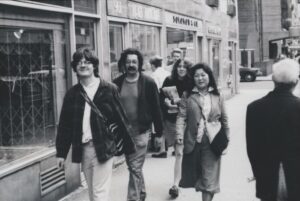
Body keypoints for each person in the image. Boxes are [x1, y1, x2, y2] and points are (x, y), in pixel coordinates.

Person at [56, 48, 135, 201]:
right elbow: (65, 125)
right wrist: (61, 153)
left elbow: (122, 119)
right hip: (83, 148)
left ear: (94, 66)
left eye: (87, 62)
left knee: (99, 194)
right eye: (79, 62)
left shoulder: (108, 89)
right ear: (74, 68)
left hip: (104, 146)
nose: (83, 65)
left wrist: (129, 148)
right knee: (93, 193)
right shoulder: (72, 94)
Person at [246, 58, 300, 201]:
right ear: (296, 82)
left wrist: (258, 173)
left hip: (266, 176)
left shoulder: (254, 108)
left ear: (274, 80)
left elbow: (252, 148)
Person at [114, 48, 163, 201]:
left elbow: (156, 109)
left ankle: (133, 198)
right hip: (124, 133)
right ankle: (141, 193)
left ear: (139, 63)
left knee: (135, 167)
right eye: (128, 62)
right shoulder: (117, 83)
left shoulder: (147, 82)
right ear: (123, 63)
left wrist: (159, 134)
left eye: (134, 61)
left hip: (141, 131)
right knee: (133, 166)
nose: (131, 64)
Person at [177, 63, 229, 201]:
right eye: (196, 76)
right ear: (192, 78)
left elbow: (224, 120)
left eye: (203, 75)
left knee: (209, 178)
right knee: (197, 177)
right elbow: (181, 116)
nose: (200, 78)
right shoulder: (187, 95)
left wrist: (226, 142)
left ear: (209, 76)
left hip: (213, 142)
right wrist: (179, 135)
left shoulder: (218, 95)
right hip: (193, 141)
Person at [159, 58, 192, 197]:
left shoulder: (191, 82)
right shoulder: (169, 80)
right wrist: (166, 103)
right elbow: (160, 97)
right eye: (179, 66)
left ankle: (175, 184)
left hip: (188, 120)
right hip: (172, 120)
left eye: (184, 66)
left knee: (181, 152)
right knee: (179, 151)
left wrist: (178, 102)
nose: (181, 68)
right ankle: (178, 181)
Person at [149, 55, 170, 158]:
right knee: (167, 123)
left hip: (159, 100)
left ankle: (162, 149)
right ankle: (169, 147)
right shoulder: (167, 73)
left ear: (153, 65)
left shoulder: (154, 75)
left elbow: (155, 90)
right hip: (169, 100)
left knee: (160, 124)